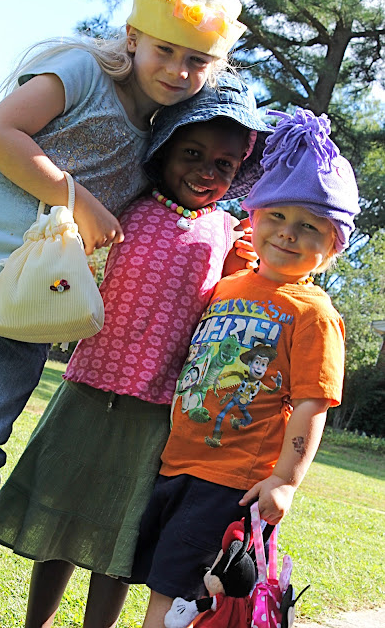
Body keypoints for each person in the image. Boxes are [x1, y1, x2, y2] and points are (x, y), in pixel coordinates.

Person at [0, 0, 248, 625]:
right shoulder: (81, 71)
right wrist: (76, 197)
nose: (178, 70)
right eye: (166, 49)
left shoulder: (167, 136)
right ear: (134, 38)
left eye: (197, 60)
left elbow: (181, 218)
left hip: (34, 308)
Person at [124, 107, 360, 628]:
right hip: (177, 464)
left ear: (332, 247)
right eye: (276, 216)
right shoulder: (229, 286)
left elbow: (312, 404)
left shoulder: (313, 314)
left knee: (180, 600)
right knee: (169, 590)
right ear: (253, 216)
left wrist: (285, 480)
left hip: (234, 481)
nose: (287, 233)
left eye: (309, 226)